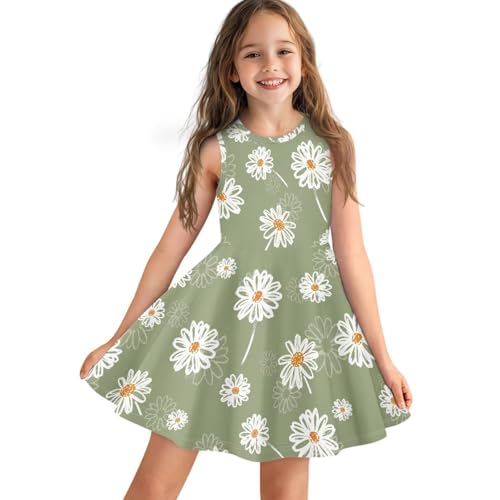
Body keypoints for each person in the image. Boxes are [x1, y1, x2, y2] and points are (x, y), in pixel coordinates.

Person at [80, 1, 413, 498]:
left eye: (284, 51)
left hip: (300, 332)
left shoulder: (333, 145)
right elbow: (170, 250)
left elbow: (352, 255)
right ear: (232, 70)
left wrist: (384, 358)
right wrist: (119, 336)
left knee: (286, 489)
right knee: (156, 484)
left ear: (304, 61)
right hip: (215, 324)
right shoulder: (217, 150)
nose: (271, 65)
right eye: (253, 54)